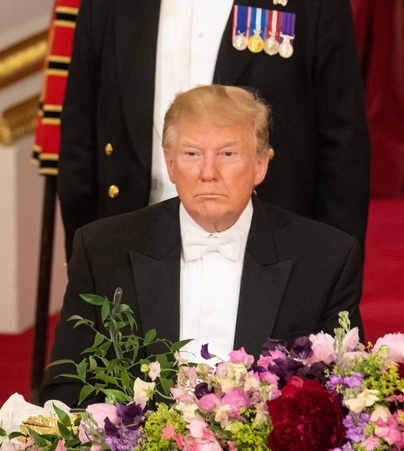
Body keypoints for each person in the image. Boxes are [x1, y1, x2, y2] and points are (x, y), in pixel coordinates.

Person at [41, 85, 364, 407]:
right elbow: (68, 384)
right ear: (170, 164)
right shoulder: (102, 249)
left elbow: (346, 390)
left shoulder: (326, 258)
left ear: (260, 165)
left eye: (227, 154)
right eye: (192, 154)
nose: (208, 173)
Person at [57, 0, 370, 261]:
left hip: (270, 254)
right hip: (136, 247)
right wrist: (88, 268)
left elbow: (342, 144)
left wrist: (333, 275)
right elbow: (80, 137)